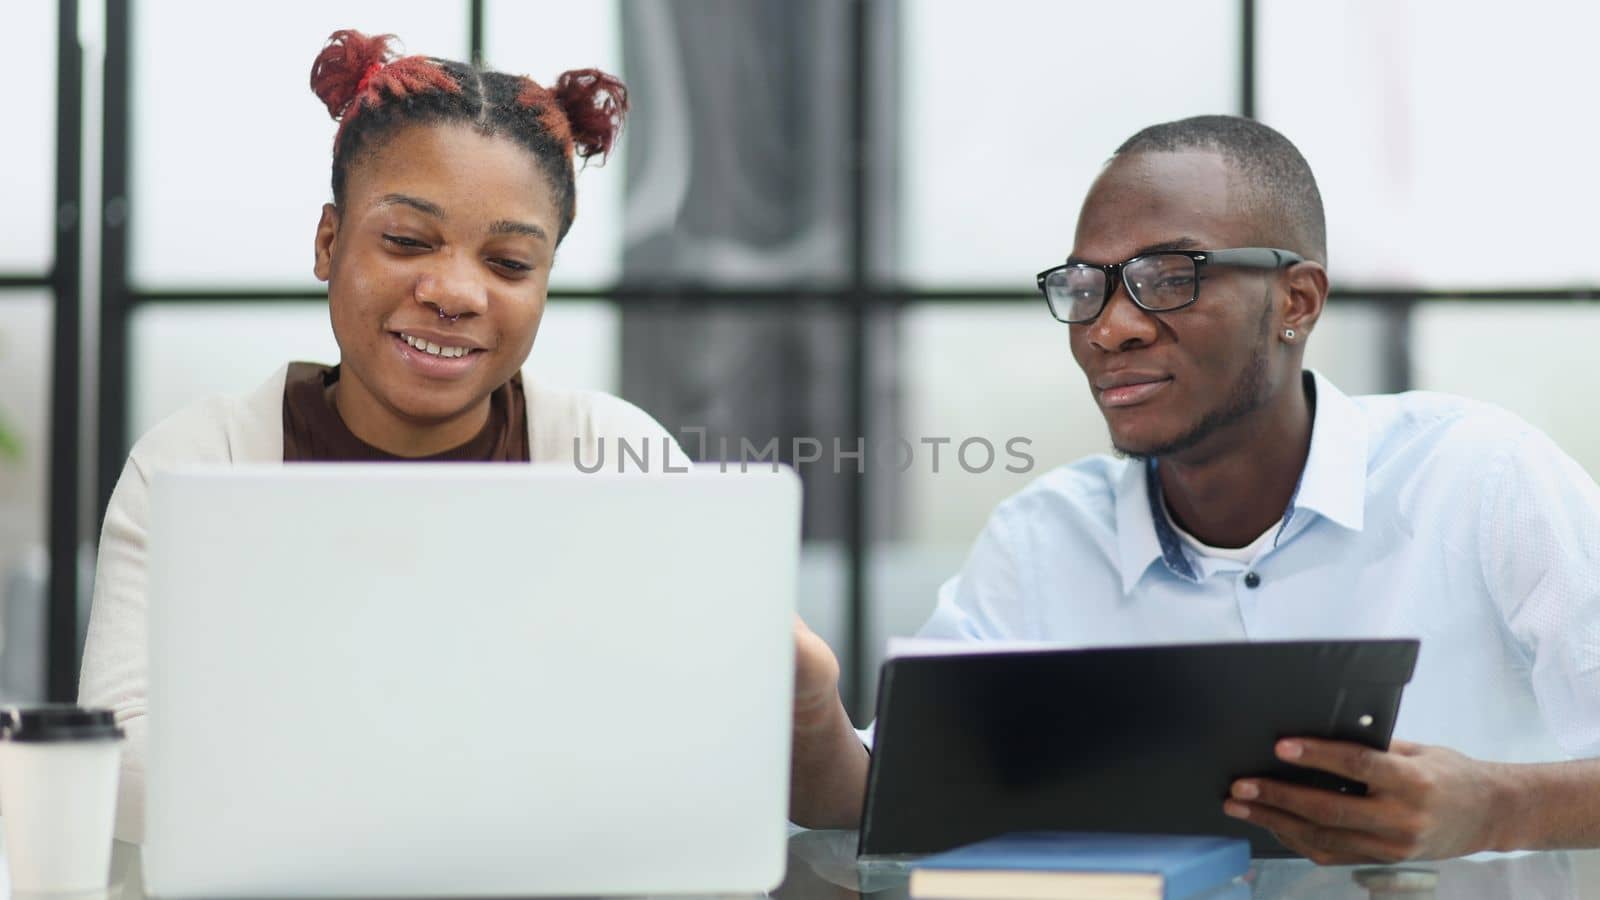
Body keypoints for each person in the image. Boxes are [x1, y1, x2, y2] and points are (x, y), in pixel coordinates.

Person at [789, 115, 1600, 863]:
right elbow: (888, 791)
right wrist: (809, 706)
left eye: (1169, 276)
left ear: (1297, 301)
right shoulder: (1044, 538)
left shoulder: (1483, 481)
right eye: (1085, 285)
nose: (1112, 326)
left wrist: (1498, 807)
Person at [79, 30, 676, 843]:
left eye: (508, 263)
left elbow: (685, 742)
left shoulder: (615, 457)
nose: (455, 293)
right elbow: (111, 768)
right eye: (405, 241)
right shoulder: (200, 459)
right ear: (330, 242)